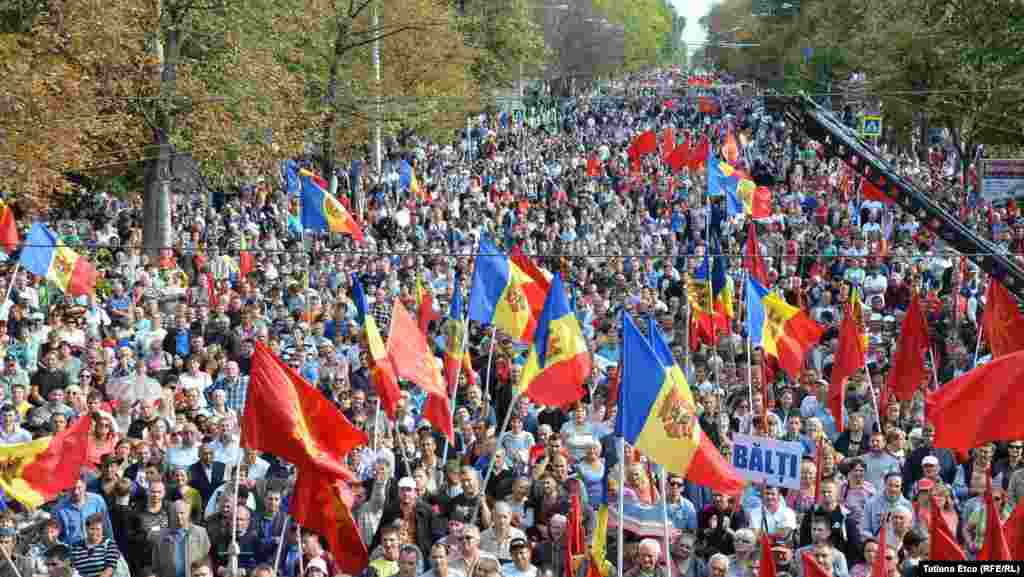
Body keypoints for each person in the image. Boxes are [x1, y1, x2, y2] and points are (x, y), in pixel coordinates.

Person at [151, 500, 212, 577]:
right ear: (170, 514)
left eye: (181, 513)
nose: (178, 516)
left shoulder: (200, 533)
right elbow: (155, 567)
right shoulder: (161, 536)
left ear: (188, 514)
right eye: (175, 513)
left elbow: (207, 560)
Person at [54, 479, 112, 547]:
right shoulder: (59, 509)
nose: (76, 492)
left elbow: (107, 527)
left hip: (97, 549)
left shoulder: (97, 501)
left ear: (85, 486)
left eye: (79, 488)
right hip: (73, 552)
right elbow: (56, 537)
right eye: (72, 488)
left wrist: (111, 546)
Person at [69, 513, 122, 577]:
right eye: (92, 529)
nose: (95, 532)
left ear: (102, 529)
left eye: (98, 529)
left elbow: (110, 568)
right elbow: (72, 568)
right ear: (86, 528)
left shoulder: (109, 544)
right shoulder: (75, 546)